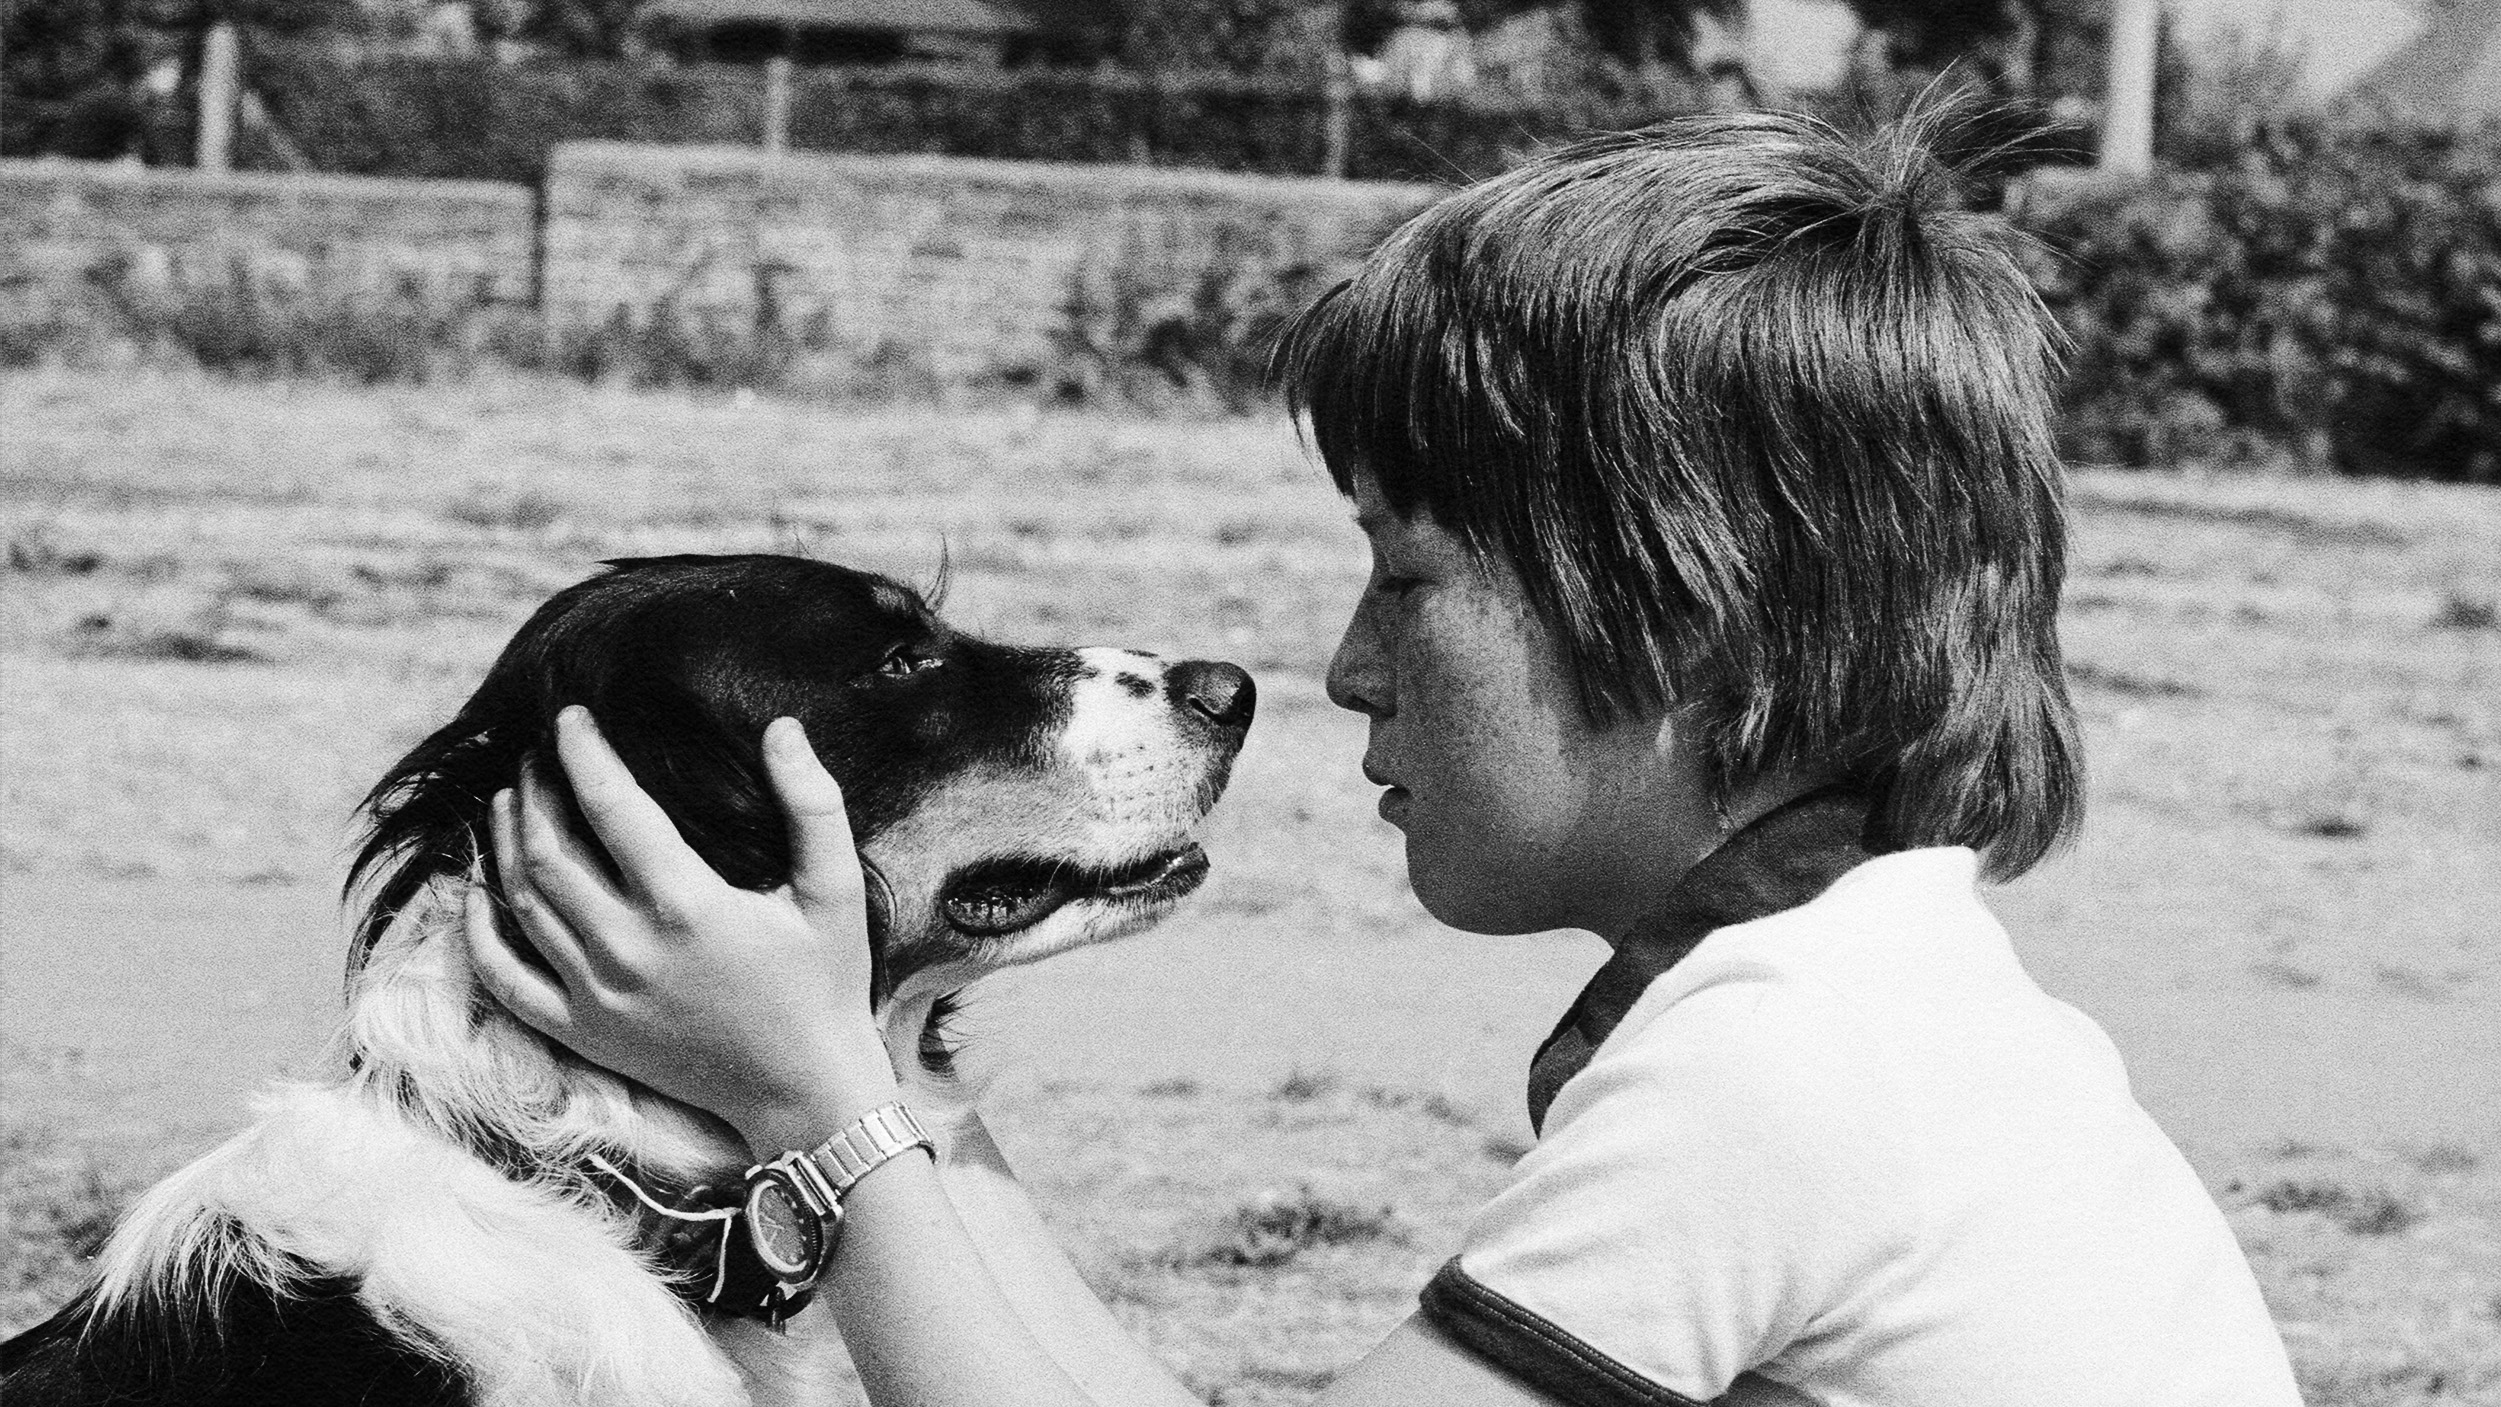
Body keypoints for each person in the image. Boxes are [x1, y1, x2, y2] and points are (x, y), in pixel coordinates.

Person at [465, 100, 2303, 1405]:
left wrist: (817, 1116)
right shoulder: (1868, 1000)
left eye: (1407, 578)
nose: (1347, 671)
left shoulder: (1785, 1073)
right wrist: (888, 1071)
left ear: (1692, 618)